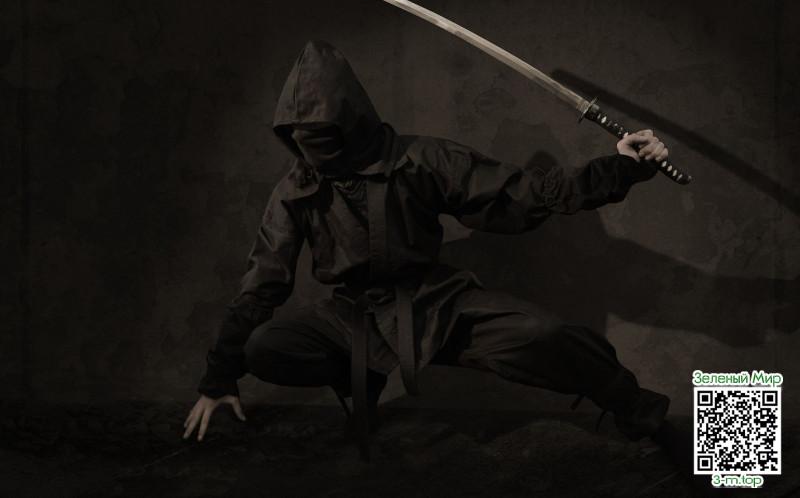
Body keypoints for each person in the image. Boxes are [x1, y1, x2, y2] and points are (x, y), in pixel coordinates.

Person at [182, 40, 680, 464]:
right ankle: (360, 373)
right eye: (301, 139)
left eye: (323, 137)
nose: (314, 150)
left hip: (434, 304)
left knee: (545, 334)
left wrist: (622, 168)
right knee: (266, 347)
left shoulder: (420, 159)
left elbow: (521, 194)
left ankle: (648, 415)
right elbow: (261, 284)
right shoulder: (294, 191)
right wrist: (217, 380)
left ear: (350, 123)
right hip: (354, 315)